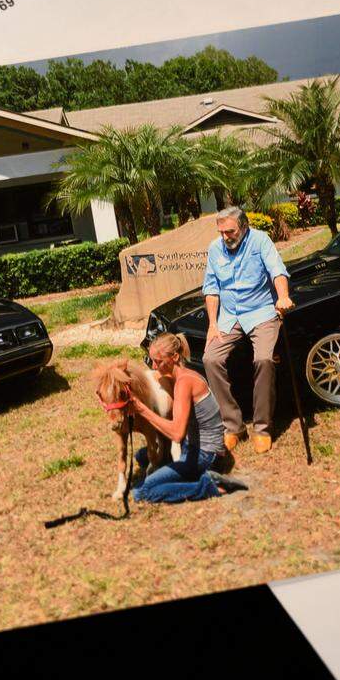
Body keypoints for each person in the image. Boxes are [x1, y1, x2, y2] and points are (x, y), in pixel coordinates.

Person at [201, 206, 293, 455]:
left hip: (261, 312)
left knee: (264, 359)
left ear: (244, 226)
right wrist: (212, 324)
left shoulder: (260, 240)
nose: (225, 237)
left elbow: (277, 271)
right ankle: (233, 426)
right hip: (229, 317)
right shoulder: (214, 248)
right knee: (210, 359)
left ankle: (262, 428)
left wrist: (282, 296)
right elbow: (211, 288)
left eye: (230, 231)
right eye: (221, 232)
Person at [127, 333, 246, 503]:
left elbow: (176, 434)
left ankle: (207, 486)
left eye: (158, 361)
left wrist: (142, 410)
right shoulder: (185, 375)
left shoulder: (184, 383)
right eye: (151, 360)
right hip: (199, 447)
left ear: (175, 357)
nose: (154, 366)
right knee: (141, 456)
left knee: (142, 491)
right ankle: (195, 476)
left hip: (204, 454)